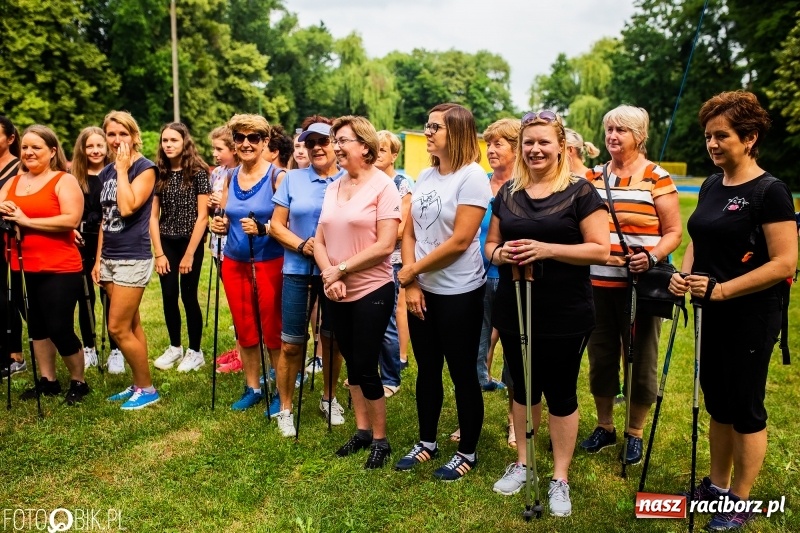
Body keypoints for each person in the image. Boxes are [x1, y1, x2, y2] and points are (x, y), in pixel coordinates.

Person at [669, 91, 797, 531]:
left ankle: (740, 500)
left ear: (750, 137)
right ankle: (716, 486)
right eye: (708, 136)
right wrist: (682, 275)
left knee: (745, 407)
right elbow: (698, 242)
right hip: (711, 312)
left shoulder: (770, 191)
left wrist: (722, 291)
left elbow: (784, 263)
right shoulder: (709, 184)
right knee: (717, 404)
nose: (712, 144)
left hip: (751, 315)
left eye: (722, 135)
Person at [486, 111, 609, 515]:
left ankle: (559, 477)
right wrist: (501, 253)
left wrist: (548, 249)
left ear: (560, 146)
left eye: (543, 142)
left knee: (560, 391)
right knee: (522, 387)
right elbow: (490, 246)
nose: (535, 149)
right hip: (515, 305)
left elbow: (599, 249)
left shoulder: (581, 192)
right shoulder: (508, 193)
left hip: (565, 310)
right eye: (528, 143)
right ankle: (523, 462)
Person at [580, 105, 682, 465]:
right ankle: (605, 426)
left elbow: (673, 232)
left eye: (621, 130)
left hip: (641, 288)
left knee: (641, 360)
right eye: (609, 129)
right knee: (602, 357)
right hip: (596, 283)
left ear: (639, 136)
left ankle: (634, 432)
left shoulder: (657, 176)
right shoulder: (592, 176)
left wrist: (652, 257)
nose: (612, 136)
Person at [394, 103, 491, 481]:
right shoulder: (426, 174)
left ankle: (467, 452)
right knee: (427, 368)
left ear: (458, 132)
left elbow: (461, 240)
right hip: (423, 288)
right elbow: (409, 231)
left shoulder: (472, 178)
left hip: (459, 293)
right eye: (427, 124)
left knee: (463, 372)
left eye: (436, 127)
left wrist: (410, 272)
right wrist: (414, 281)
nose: (428, 132)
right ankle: (427, 442)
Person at [314, 115, 400, 468]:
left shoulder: (384, 187)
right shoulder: (334, 185)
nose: (335, 146)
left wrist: (343, 269)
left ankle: (381, 440)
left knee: (366, 365)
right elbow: (319, 238)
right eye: (335, 139)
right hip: (334, 289)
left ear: (364, 147)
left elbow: (385, 245)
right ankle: (362, 431)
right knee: (351, 362)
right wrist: (329, 275)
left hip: (372, 288)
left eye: (343, 140)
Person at [0, 125, 90, 405]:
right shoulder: (13, 182)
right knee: (36, 326)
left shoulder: (63, 180)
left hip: (59, 267)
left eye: (36, 147)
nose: (28, 152)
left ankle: (79, 381)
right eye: (25, 147)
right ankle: (48, 380)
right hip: (21, 265)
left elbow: (70, 219)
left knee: (59, 326)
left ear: (52, 151)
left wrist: (26, 221)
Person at [269, 117, 347, 436]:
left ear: (335, 145)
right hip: (298, 269)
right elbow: (276, 225)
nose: (316, 148)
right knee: (291, 342)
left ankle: (329, 398)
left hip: (335, 271)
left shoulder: (348, 179)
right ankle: (286, 407)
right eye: (310, 143)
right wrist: (302, 245)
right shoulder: (292, 179)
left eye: (323, 142)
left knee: (331, 338)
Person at [209, 114, 284, 416]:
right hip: (235, 262)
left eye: (253, 138)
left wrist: (263, 228)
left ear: (265, 141)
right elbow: (226, 215)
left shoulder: (278, 177)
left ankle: (281, 389)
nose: (246, 143)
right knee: (245, 329)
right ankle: (253, 387)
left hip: (269, 262)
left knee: (273, 330)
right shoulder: (229, 176)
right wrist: (219, 225)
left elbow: (285, 223)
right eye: (239, 138)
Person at [93, 110, 160, 409]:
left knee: (117, 328)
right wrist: (97, 261)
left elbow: (129, 206)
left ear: (134, 137)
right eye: (111, 134)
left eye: (123, 134)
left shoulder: (145, 169)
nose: (116, 139)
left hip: (133, 257)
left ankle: (147, 389)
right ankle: (138, 383)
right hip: (109, 256)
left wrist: (122, 170)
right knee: (132, 325)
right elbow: (105, 220)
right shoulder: (106, 171)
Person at [150, 123, 210, 372]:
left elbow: (203, 216)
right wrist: (159, 253)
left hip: (190, 242)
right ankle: (175, 346)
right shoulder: (159, 173)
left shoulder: (197, 172)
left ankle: (195, 351)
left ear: (185, 142)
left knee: (188, 295)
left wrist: (189, 255)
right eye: (165, 140)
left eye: (174, 140)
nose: (168, 145)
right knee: (168, 295)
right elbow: (153, 216)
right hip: (166, 240)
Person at [71, 126, 115, 370]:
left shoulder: (113, 175)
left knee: (109, 296)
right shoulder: (74, 177)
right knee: (84, 296)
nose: (96, 150)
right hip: (81, 242)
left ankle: (115, 349)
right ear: (82, 149)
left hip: (109, 241)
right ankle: (89, 347)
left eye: (100, 145)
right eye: (90, 146)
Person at [374, 130, 412, 397]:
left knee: (386, 320)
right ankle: (368, 371)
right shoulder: (366, 182)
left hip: (392, 261)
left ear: (394, 155)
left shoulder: (402, 184)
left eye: (383, 150)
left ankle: (390, 377)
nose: (376, 154)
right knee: (368, 319)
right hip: (366, 260)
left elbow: (400, 229)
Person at [207, 125, 241, 372]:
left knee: (240, 300)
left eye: (220, 149)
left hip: (236, 244)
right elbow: (213, 207)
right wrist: (211, 205)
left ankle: (244, 352)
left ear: (234, 149)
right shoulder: (217, 173)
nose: (215, 154)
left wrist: (224, 202)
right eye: (214, 148)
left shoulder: (241, 173)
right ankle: (240, 346)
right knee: (231, 299)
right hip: (218, 244)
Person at [0, 116, 24, 378]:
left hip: (10, 239)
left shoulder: (19, 167)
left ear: (10, 139)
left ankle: (15, 353)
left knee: (11, 296)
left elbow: (8, 202)